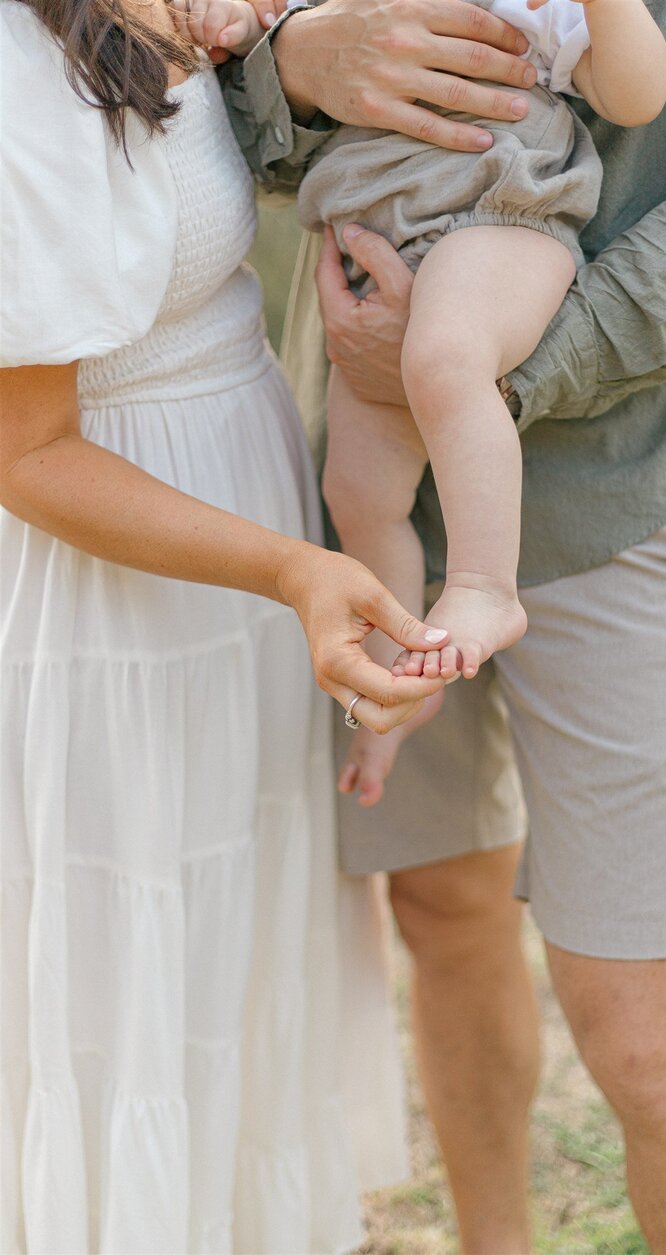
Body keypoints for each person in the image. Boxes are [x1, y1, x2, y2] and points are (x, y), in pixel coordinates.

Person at [222, 0, 666, 1249]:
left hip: (615, 493)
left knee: (640, 1034)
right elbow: (216, 120)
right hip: (369, 488)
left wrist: (491, 370)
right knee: (440, 914)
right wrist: (296, 67)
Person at [0, 0, 459, 1247]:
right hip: (124, 584)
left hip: (244, 519)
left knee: (227, 934)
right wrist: (292, 572)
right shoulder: (17, 76)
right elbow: (27, 454)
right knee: (132, 953)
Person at [173, 0, 666, 808]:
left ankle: (485, 587)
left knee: (444, 357)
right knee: (357, 490)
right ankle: (409, 665)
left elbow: (636, 95)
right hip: (380, 245)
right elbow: (263, 39)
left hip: (501, 217)